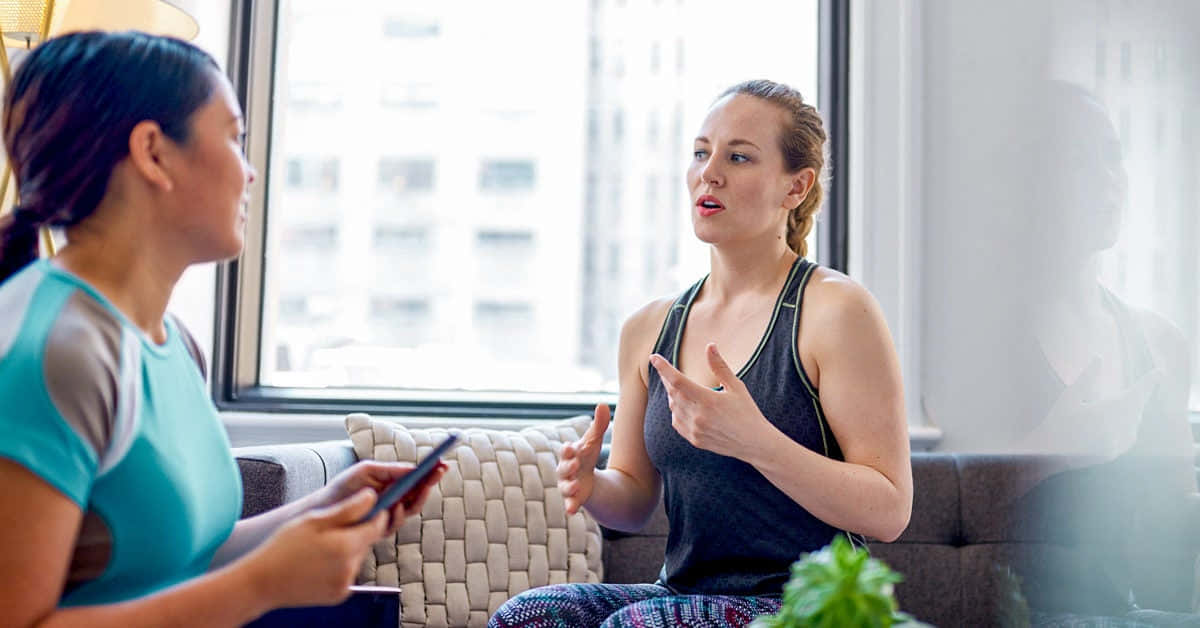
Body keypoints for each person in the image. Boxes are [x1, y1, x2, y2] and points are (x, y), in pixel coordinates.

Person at [0, 31, 444, 626]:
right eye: (235, 138)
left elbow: (174, 563)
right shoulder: (53, 351)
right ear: (153, 153)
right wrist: (260, 585)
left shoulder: (173, 343)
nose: (251, 172)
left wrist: (321, 509)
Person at [490, 79, 913, 627]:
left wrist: (756, 442)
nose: (709, 172)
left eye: (738, 157)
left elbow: (889, 510)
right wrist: (592, 486)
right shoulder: (649, 329)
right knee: (529, 616)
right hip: (684, 596)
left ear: (796, 187)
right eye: (700, 152)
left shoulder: (835, 311)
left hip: (810, 609)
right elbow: (636, 497)